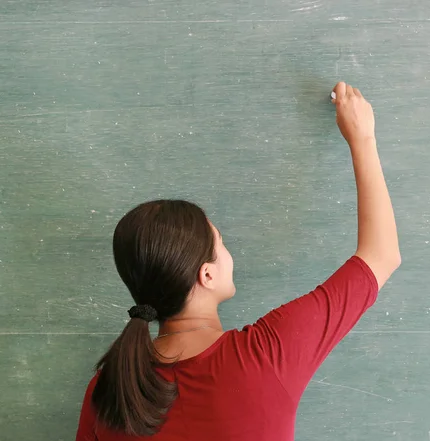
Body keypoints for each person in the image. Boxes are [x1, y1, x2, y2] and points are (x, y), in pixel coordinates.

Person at [75, 81, 401, 441]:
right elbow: (381, 255)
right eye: (221, 242)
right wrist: (362, 139)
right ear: (207, 274)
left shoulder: (107, 390)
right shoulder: (267, 353)